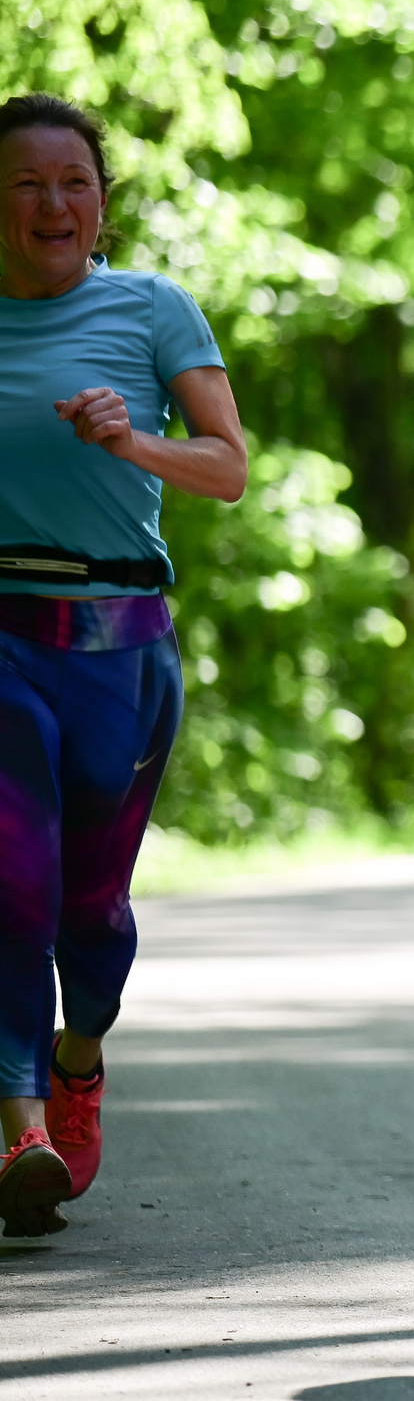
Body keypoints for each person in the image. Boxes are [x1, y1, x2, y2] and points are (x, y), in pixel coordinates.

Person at [0, 93, 246, 1236]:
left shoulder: (151, 309)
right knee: (13, 883)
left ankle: (77, 1056)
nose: (53, 203)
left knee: (91, 912)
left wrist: (133, 441)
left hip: (120, 641)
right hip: (5, 626)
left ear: (101, 204)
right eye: (26, 183)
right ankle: (21, 1130)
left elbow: (228, 467)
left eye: (74, 183)